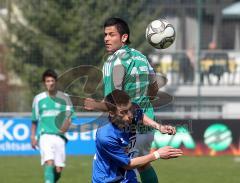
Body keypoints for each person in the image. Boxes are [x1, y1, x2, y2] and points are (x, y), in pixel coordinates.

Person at [86, 17, 167, 183]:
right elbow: (153, 90)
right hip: (146, 120)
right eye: (105, 35)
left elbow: (113, 102)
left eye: (111, 34)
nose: (106, 39)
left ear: (123, 37)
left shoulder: (113, 60)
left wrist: (94, 105)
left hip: (126, 124)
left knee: (114, 168)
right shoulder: (142, 58)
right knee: (144, 165)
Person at [92, 90, 183, 183]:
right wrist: (158, 154)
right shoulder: (106, 136)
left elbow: (140, 116)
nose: (130, 115)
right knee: (143, 162)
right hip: (108, 180)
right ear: (111, 113)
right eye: (123, 112)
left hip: (127, 177)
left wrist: (159, 127)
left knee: (144, 164)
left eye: (129, 109)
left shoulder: (130, 112)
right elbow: (127, 164)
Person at [31, 69, 74, 183]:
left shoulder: (64, 98)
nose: (50, 83)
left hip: (60, 137)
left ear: (56, 82)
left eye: (52, 80)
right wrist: (32, 137)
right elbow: (34, 120)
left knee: (58, 169)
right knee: (49, 161)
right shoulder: (38, 99)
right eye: (47, 81)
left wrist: (64, 128)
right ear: (44, 83)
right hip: (44, 135)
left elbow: (69, 117)